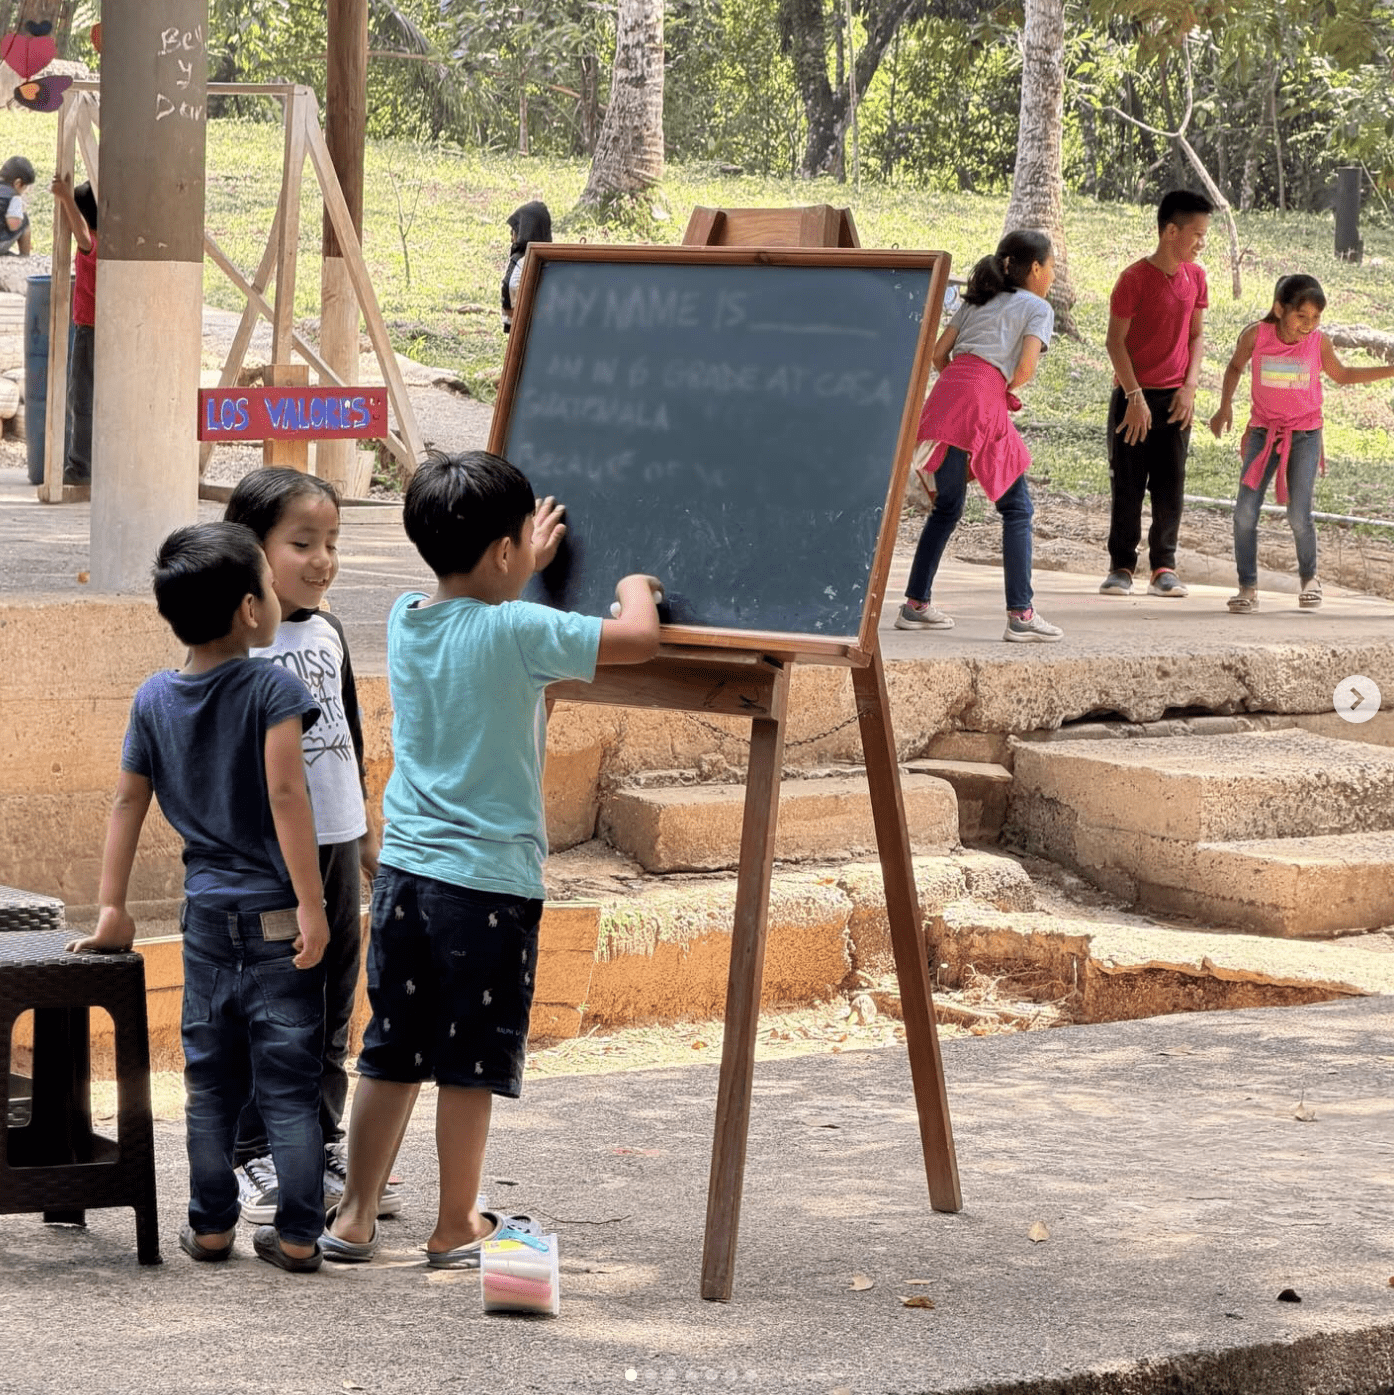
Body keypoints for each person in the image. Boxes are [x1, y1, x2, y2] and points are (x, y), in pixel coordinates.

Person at [320, 450, 660, 1266]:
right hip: (487, 886)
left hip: (404, 873)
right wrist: (640, 579)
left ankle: (355, 1216)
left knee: (393, 1048)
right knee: (468, 1062)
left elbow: (482, 606)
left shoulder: (408, 616)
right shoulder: (520, 628)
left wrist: (517, 563)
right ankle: (455, 1224)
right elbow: (638, 637)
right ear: (509, 552)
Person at [68, 522, 331, 1273]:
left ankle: (211, 1226)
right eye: (270, 586)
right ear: (251, 608)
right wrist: (313, 905)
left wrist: (112, 909)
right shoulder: (274, 686)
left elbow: (126, 802)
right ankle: (301, 1233)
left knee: (209, 1077)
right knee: (288, 1081)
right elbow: (287, 793)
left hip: (207, 919)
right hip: (280, 913)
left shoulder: (154, 697)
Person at [221, 468, 398, 1227]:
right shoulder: (237, 646)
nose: (323, 559)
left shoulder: (324, 632)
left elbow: (347, 736)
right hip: (266, 861)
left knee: (331, 1002)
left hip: (332, 843)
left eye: (331, 542)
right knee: (273, 1006)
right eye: (302, 543)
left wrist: (362, 840)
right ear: (250, 549)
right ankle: (254, 1148)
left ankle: (320, 1136)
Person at [896, 228, 1063, 643]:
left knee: (948, 506)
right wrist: (993, 390)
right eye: (1052, 267)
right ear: (1036, 268)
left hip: (946, 395)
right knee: (1018, 508)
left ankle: (915, 605)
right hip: (982, 399)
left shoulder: (977, 301)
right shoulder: (1037, 308)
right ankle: (1021, 615)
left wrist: (962, 385)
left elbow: (938, 354)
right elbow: (1024, 370)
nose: (1053, 276)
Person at [1210, 274, 1394, 613]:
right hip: (1264, 433)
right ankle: (1247, 587)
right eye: (1301, 316)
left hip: (1306, 435)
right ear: (1280, 309)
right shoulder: (1257, 335)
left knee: (1298, 512)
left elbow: (1343, 375)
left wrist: (1390, 371)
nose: (1308, 325)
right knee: (1244, 512)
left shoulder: (1318, 343)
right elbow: (1235, 366)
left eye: (1315, 318)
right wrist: (1224, 408)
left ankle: (1310, 578)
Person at [1100, 189, 1212, 598]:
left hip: (1176, 400)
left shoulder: (1195, 278)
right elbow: (1115, 343)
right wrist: (1134, 396)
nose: (1202, 242)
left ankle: (1164, 566)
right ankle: (1121, 566)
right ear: (1170, 231)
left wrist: (1190, 388)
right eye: (1197, 234)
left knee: (1171, 485)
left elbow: (1197, 336)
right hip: (1133, 399)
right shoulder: (1133, 279)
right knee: (1128, 484)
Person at [50, 175, 97, 485]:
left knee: (81, 399)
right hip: (106, 330)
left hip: (89, 330)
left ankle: (79, 469)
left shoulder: (92, 241)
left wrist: (65, 198)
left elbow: (80, 231)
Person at [501, 200, 552, 334]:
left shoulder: (521, 259)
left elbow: (510, 285)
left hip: (524, 325)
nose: (512, 238)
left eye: (514, 231)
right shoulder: (552, 257)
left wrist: (513, 314)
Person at [0, 156, 35, 255]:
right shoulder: (14, 197)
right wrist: (20, 218)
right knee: (24, 220)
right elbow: (13, 225)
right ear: (18, 183)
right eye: (25, 187)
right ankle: (24, 258)